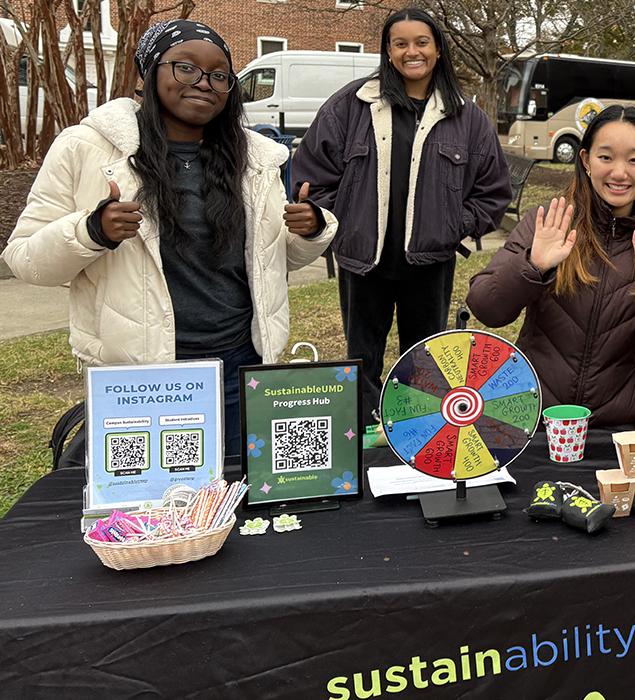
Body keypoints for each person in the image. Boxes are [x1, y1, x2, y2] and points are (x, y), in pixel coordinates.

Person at [4, 20, 335, 460]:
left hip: (241, 364)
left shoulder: (254, 160)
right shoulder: (87, 148)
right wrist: (92, 231)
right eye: (185, 68)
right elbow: (25, 259)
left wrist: (311, 230)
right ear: (150, 72)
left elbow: (270, 262)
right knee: (155, 508)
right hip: (145, 378)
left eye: (219, 75)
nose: (204, 83)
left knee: (239, 493)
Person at [294, 8, 511, 426]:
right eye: (400, 43)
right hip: (363, 261)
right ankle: (365, 436)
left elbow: (492, 192)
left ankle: (420, 438)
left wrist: (453, 227)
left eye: (422, 42)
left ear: (438, 49)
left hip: (429, 263)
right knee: (362, 361)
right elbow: (312, 177)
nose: (412, 51)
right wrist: (331, 223)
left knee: (426, 364)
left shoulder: (466, 118)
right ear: (388, 51)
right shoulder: (351, 107)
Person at [466, 105, 635, 427]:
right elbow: (487, 309)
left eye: (634, 159)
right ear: (586, 161)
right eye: (606, 157)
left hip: (614, 426)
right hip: (531, 419)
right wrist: (533, 265)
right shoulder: (548, 224)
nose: (620, 173)